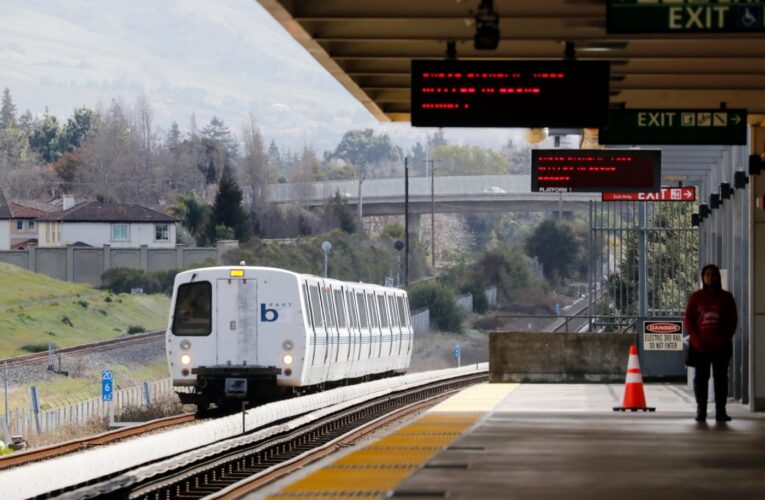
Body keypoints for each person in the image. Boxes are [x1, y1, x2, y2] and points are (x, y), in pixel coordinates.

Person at [683, 264, 738, 423]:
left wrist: (723, 338)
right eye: (707, 274)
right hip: (700, 346)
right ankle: (701, 411)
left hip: (721, 346)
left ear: (718, 277)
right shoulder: (696, 297)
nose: (710, 277)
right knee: (701, 379)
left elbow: (731, 321)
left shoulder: (726, 298)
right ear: (703, 277)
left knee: (721, 378)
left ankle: (721, 411)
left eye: (713, 274)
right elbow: (689, 320)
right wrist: (696, 338)